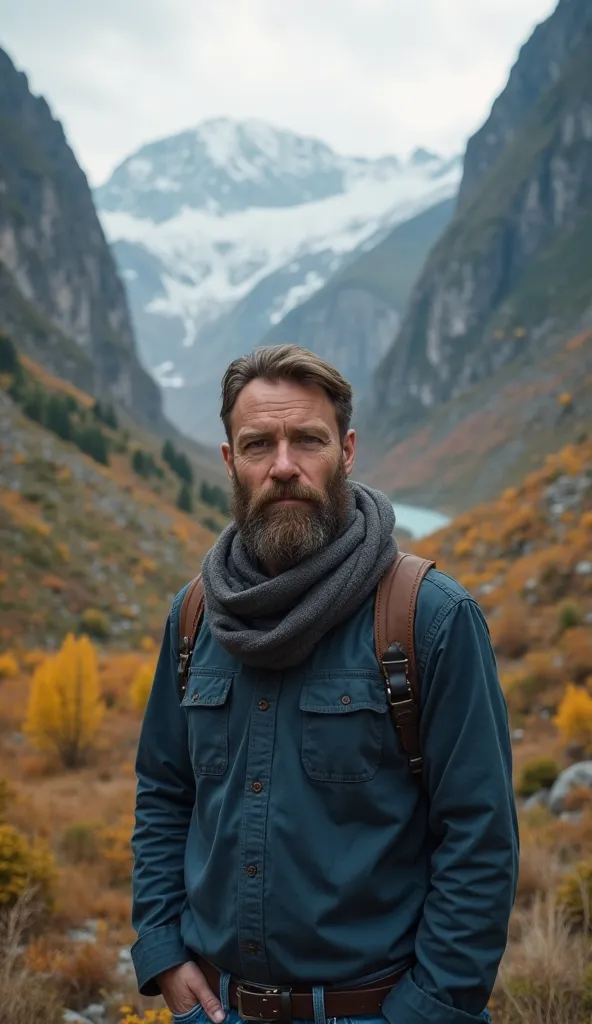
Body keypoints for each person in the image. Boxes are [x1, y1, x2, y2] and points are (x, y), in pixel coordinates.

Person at [131, 344, 518, 1024]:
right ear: (230, 461)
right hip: (216, 1008)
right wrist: (163, 950)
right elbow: (165, 793)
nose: (284, 466)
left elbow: (480, 838)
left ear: (346, 450)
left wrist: (427, 1010)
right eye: (258, 445)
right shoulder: (195, 616)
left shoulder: (428, 618)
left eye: (308, 439)